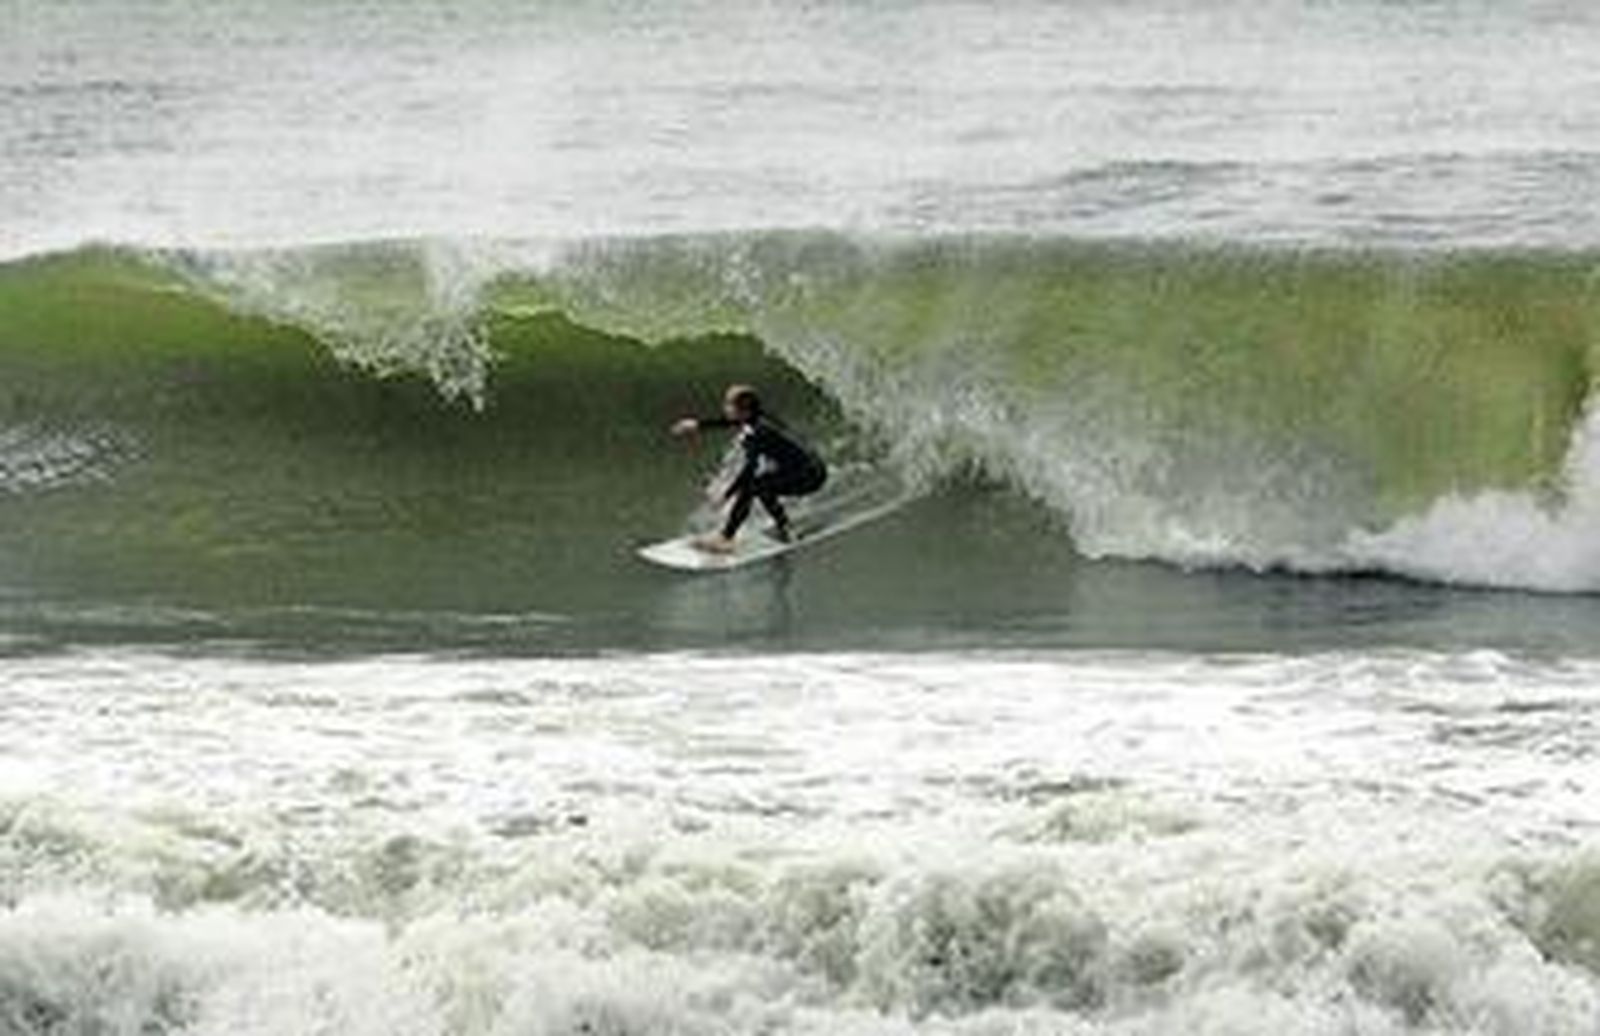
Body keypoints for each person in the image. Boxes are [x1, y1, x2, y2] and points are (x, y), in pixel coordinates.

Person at [671, 384, 827, 553]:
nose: (725, 407)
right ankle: (785, 528)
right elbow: (731, 421)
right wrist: (697, 425)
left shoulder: (758, 433)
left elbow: (748, 471)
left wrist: (725, 496)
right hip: (812, 467)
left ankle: (726, 538)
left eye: (729, 404)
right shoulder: (759, 417)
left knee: (753, 486)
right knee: (761, 485)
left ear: (744, 411)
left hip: (809, 476)